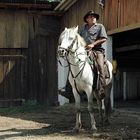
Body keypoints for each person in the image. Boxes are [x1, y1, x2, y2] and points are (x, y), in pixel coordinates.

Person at [79, 10, 108, 99]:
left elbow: (104, 38)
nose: (93, 18)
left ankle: (102, 90)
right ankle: (68, 90)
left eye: (94, 16)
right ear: (87, 19)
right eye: (91, 16)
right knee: (74, 63)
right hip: (84, 50)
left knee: (100, 66)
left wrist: (93, 44)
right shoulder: (83, 28)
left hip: (97, 50)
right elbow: (79, 39)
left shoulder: (100, 26)